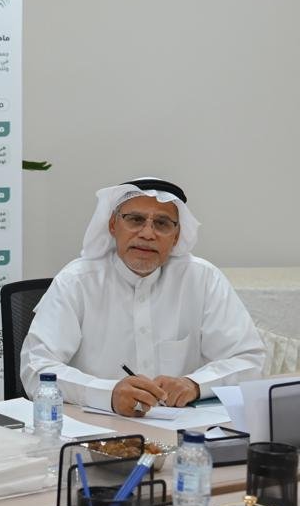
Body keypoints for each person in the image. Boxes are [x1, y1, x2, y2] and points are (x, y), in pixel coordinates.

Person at [21, 178, 265, 417]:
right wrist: (107, 393)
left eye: (162, 223)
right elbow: (37, 367)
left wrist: (194, 384)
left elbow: (249, 359)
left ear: (176, 236)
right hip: (98, 425)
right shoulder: (76, 281)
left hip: (183, 427)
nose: (148, 234)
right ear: (113, 225)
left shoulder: (202, 278)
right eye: (135, 220)